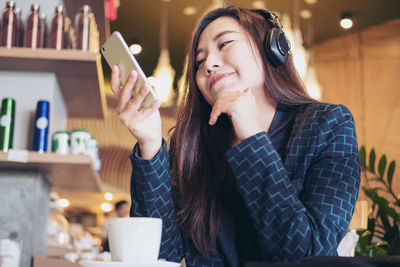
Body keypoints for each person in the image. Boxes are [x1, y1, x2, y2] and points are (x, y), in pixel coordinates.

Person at [110, 6, 360, 266]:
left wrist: (251, 136)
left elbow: (308, 254)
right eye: (199, 61)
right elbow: (163, 254)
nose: (208, 64)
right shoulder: (194, 147)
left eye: (225, 43)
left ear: (271, 49)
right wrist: (149, 143)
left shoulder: (329, 126)